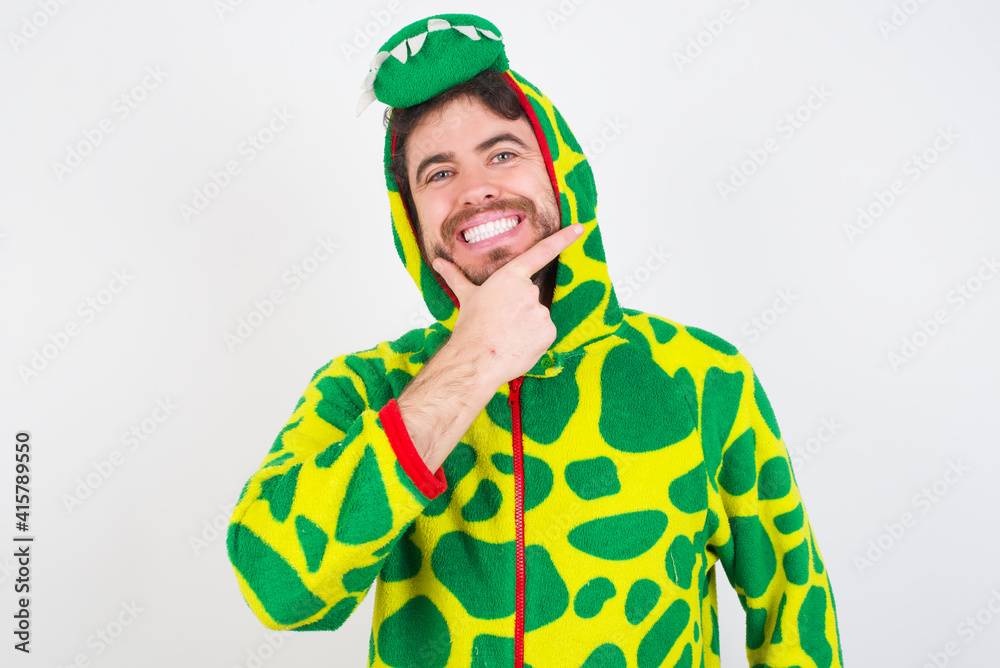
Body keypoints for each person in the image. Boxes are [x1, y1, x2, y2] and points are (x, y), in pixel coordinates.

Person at [226, 12, 845, 668]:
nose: (475, 189)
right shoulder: (364, 388)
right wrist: (470, 362)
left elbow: (792, 605)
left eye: (501, 153)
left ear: (559, 171)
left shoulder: (700, 375)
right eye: (438, 174)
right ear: (411, 218)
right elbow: (281, 590)